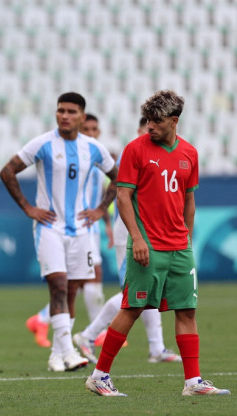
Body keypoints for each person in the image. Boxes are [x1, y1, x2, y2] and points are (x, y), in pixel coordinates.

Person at [85, 90, 230, 397]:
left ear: (174, 121)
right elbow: (123, 196)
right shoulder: (135, 150)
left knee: (187, 311)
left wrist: (187, 239)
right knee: (133, 307)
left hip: (179, 248)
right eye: (148, 120)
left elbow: (189, 199)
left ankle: (193, 382)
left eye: (156, 121)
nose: (149, 126)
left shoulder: (189, 153)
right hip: (147, 247)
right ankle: (99, 376)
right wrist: (137, 238)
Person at [0, 92, 117, 372]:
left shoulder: (94, 148)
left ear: (82, 117)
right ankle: (69, 350)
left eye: (71, 111)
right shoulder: (43, 143)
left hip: (81, 231)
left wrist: (101, 209)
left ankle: (56, 356)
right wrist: (28, 207)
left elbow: (119, 177)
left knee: (72, 291)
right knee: (59, 286)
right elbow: (7, 171)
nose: (64, 115)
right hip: (49, 228)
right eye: (60, 110)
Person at [73, 117, 182, 364]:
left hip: (148, 231)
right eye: (148, 127)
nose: (152, 132)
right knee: (134, 291)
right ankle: (89, 335)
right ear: (140, 130)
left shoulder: (162, 155)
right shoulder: (132, 153)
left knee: (148, 289)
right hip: (131, 232)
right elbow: (121, 192)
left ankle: (156, 348)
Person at [24, 113, 109, 348]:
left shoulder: (96, 159)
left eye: (95, 129)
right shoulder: (77, 160)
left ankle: (43, 320)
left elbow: (102, 195)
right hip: (74, 227)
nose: (91, 133)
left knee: (77, 284)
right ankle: (95, 331)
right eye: (88, 129)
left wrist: (106, 222)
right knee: (84, 280)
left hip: (90, 227)